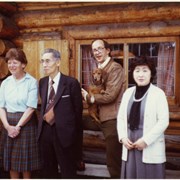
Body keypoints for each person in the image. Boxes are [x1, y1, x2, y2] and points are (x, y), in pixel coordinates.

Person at [117, 56, 169, 179]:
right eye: (137, 70)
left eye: (145, 70)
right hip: (130, 147)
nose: (141, 74)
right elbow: (121, 118)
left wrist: (145, 140)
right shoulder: (128, 93)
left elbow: (163, 121)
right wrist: (123, 138)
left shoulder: (158, 94)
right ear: (133, 73)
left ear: (151, 73)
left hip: (149, 146)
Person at [82, 39, 126, 178]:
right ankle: (77, 160)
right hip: (98, 115)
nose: (97, 52)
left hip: (112, 117)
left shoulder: (115, 68)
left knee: (113, 160)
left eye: (100, 48)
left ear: (108, 50)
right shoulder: (97, 69)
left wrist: (90, 98)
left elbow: (110, 96)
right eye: (95, 50)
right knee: (71, 123)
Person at [37, 48, 83, 178]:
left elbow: (77, 114)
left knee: (68, 171)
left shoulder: (71, 83)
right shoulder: (42, 82)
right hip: (45, 132)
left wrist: (76, 143)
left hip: (65, 135)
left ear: (58, 62)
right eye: (42, 61)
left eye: (47, 61)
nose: (44, 64)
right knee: (48, 171)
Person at [0, 48, 41, 179]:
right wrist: (7, 127)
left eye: (15, 62)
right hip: (8, 123)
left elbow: (31, 108)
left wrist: (18, 127)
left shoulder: (31, 82)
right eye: (9, 62)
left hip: (25, 124)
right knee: (11, 163)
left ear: (23, 64)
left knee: (25, 164)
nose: (11, 66)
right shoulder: (5, 83)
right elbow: (1, 107)